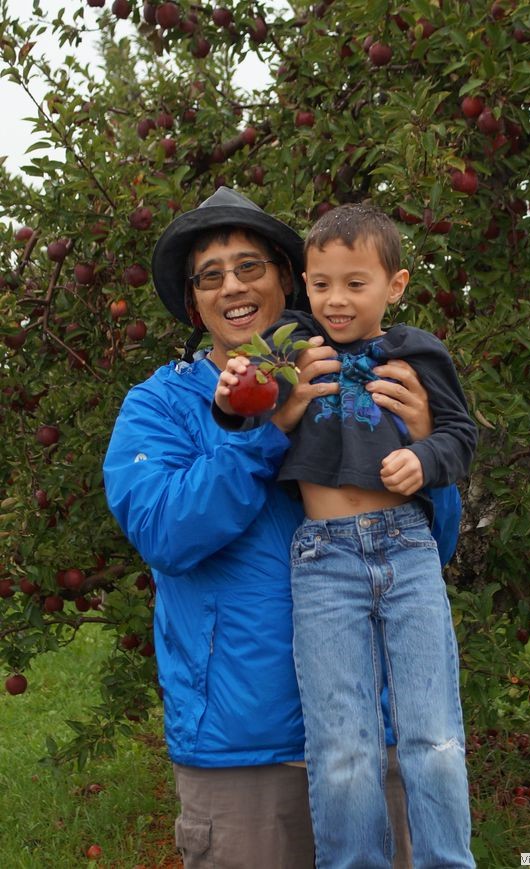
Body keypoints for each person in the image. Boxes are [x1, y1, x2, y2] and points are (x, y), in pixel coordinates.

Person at [103, 187, 462, 869]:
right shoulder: (160, 406)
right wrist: (267, 433)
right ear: (194, 303)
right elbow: (165, 532)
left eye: (250, 267)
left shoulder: (363, 373)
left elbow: (431, 548)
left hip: (378, 732)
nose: (233, 287)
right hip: (245, 747)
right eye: (210, 276)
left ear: (287, 281)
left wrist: (426, 453)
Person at [215, 204, 477, 868]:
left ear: (395, 285)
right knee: (342, 743)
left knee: (433, 734)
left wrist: (425, 457)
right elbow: (246, 403)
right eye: (322, 283)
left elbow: (460, 436)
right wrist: (232, 390)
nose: (336, 300)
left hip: (408, 548)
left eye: (355, 284)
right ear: (305, 283)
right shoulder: (291, 339)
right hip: (323, 556)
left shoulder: (419, 352)